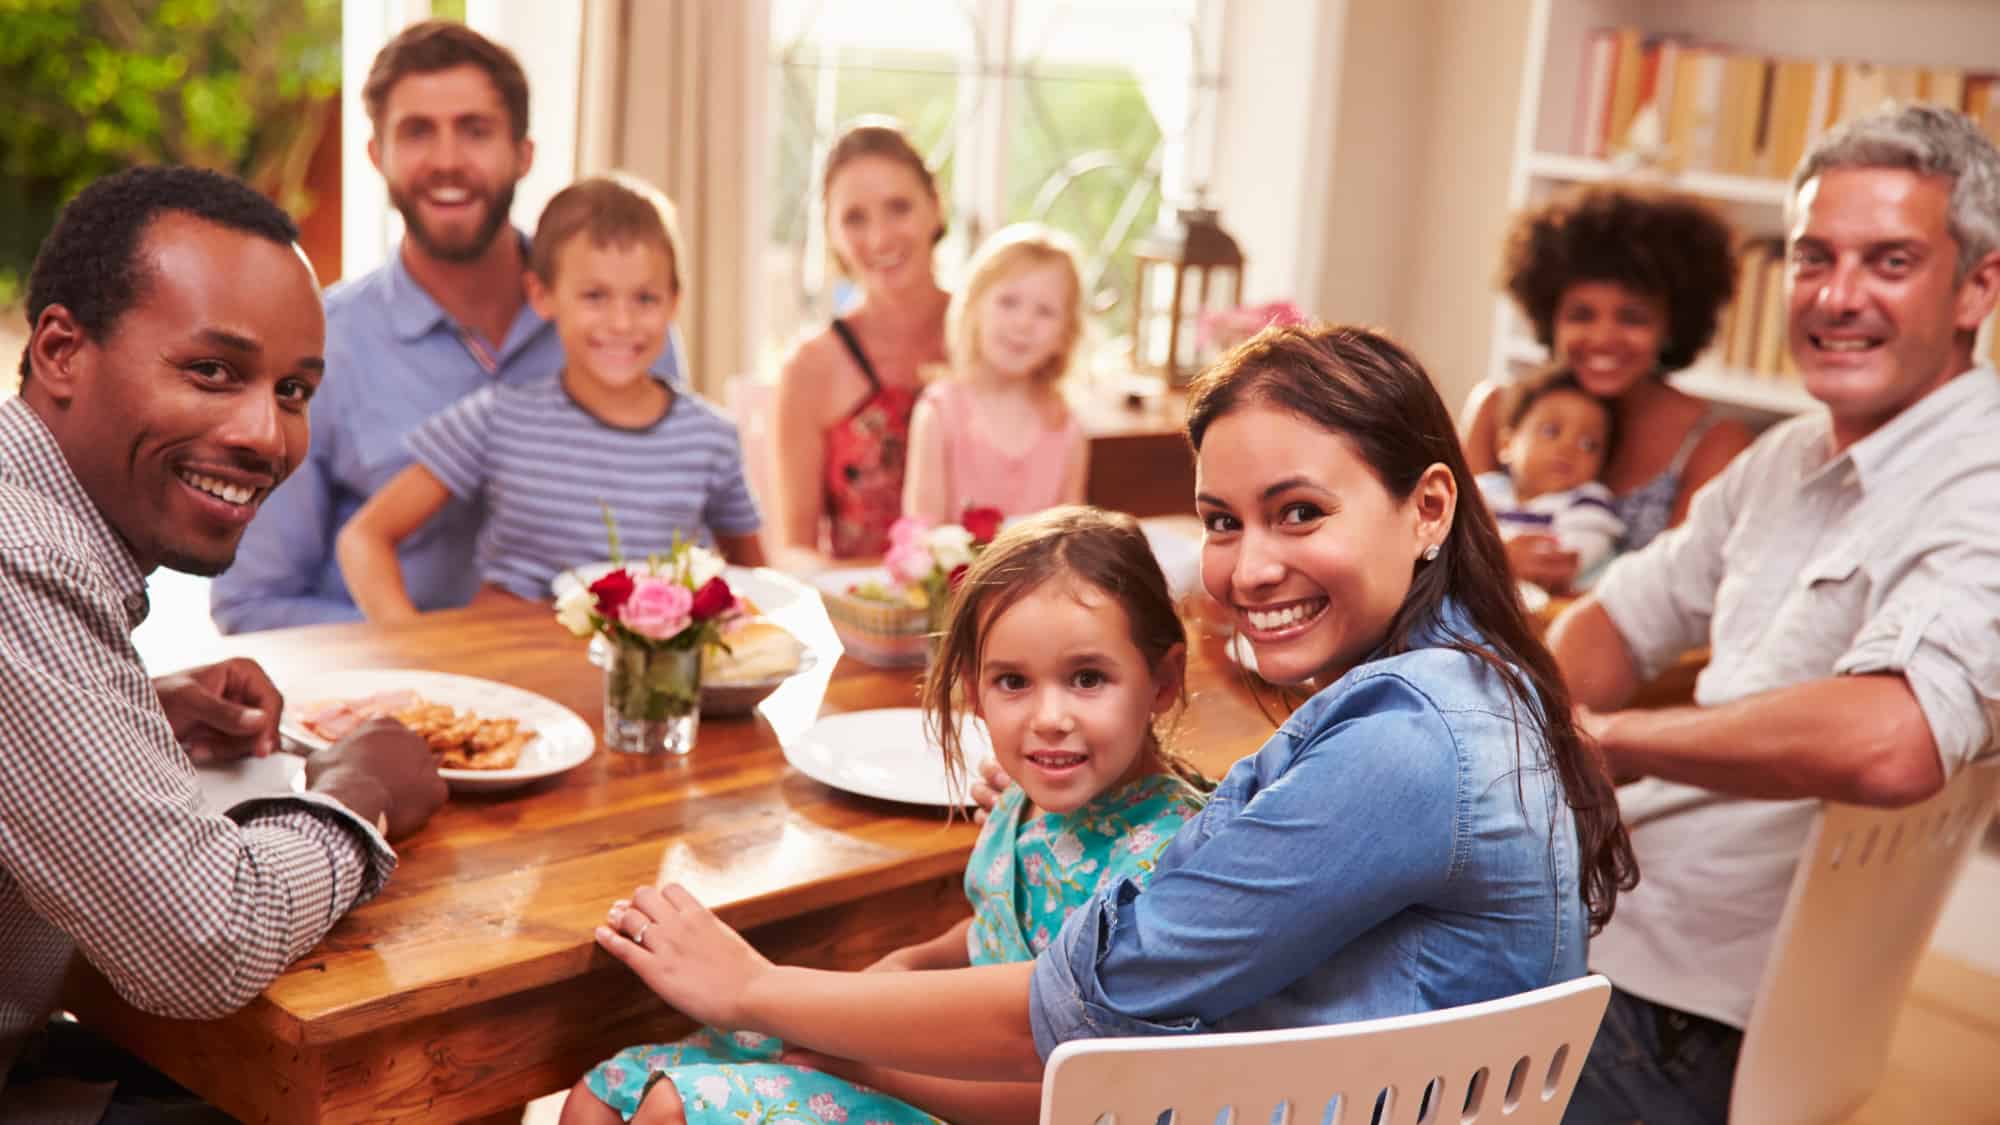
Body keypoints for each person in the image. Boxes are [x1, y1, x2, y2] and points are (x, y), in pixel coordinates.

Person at [580, 326, 1635, 1093]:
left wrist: (756, 991)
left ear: (1427, 508)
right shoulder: (1476, 691)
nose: (1249, 566)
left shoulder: (1409, 748)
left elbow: (1075, 1014)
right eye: (1221, 522)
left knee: (682, 1082)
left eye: (1300, 513)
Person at [1550, 103, 2000, 1124]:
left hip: (1669, 1015)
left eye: (1887, 262)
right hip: (1607, 931)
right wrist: (1538, 723)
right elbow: (1612, 623)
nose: (1835, 298)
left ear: (1977, 285)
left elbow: (1897, 737)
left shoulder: (1983, 480)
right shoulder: (1787, 457)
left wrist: (1619, 739)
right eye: (1812, 259)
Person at [0, 165, 449, 1123]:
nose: (266, 435)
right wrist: (361, 790)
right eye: (212, 370)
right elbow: (203, 942)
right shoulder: (20, 559)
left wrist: (131, 708)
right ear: (61, 351)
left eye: (293, 390)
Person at [562, 507, 1204, 1124]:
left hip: (985, 1100)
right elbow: (998, 930)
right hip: (932, 1049)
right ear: (974, 690)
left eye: (1088, 679)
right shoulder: (1028, 792)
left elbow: (1068, 1094)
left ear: (1164, 679)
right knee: (604, 1090)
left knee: (676, 1106)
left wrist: (871, 1068)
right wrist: (913, 963)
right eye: (1013, 682)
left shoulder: (1168, 863)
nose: (1049, 718)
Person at [210, 20, 682, 632]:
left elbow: (671, 545)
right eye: (417, 132)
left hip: (589, 691)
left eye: (476, 130)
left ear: (523, 154)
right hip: (387, 692)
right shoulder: (316, 345)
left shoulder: (624, 324)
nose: (448, 161)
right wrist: (440, 658)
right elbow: (255, 605)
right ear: (377, 156)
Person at [336, 175, 763, 621]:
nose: (621, 322)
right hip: (507, 672)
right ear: (542, 295)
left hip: (651, 683)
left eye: (645, 298)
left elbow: (756, 585)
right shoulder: (498, 417)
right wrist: (413, 646)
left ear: (674, 302)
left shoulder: (711, 438)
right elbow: (364, 537)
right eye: (595, 296)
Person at [1461, 185, 1750, 591]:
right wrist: (1499, 562)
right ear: (1550, 317)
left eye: (1632, 318)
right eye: (1581, 315)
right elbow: (1443, 549)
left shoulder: (1712, 444)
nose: (1603, 338)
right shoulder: (1498, 410)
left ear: (1672, 327)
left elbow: (1679, 593)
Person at [771, 119, 951, 562]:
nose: (880, 237)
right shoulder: (809, 369)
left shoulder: (994, 337)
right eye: (854, 218)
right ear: (831, 234)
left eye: (899, 208)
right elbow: (796, 549)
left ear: (935, 206)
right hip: (863, 618)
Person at [902, 223, 1089, 525]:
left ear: (1064, 334)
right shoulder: (939, 413)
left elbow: (1070, 544)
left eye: (1045, 311)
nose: (1023, 323)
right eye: (1008, 302)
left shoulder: (1066, 429)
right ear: (974, 308)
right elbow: (922, 538)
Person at [1475, 368, 1625, 584]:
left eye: (1588, 444)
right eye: (1551, 431)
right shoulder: (1485, 491)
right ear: (1506, 444)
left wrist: (1488, 557)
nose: (1568, 448)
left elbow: (1563, 562)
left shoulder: (1587, 502)